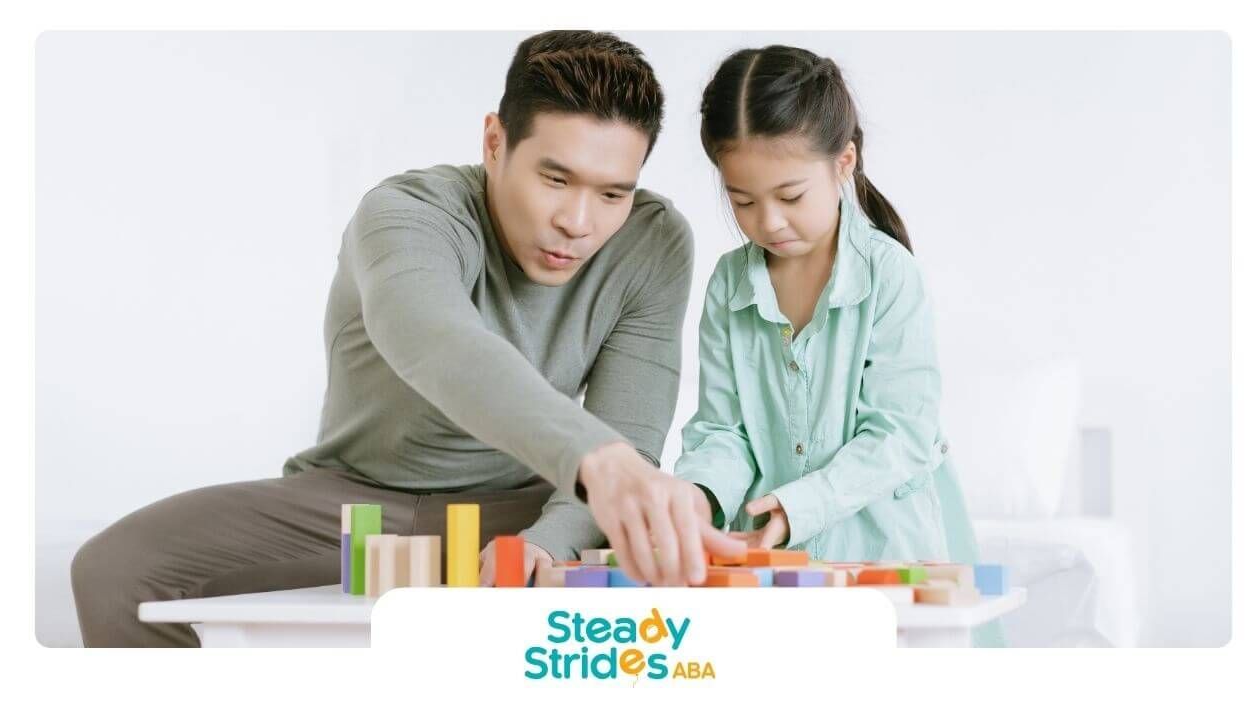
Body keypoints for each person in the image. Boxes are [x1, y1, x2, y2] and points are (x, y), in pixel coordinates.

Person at [71, 30, 743, 647]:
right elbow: (441, 346)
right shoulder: (404, 215)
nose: (578, 221)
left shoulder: (654, 241)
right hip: (350, 502)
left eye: (612, 194)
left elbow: (629, 422)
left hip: (525, 507)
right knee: (115, 572)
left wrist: (556, 538)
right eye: (555, 178)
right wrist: (604, 461)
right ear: (493, 143)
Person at [674, 45, 1003, 646]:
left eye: (790, 196)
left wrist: (799, 506)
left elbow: (900, 435)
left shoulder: (889, 275)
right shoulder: (728, 283)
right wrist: (697, 498)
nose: (767, 221)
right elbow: (722, 430)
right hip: (776, 580)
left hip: (886, 567)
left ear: (842, 161)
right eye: (742, 200)